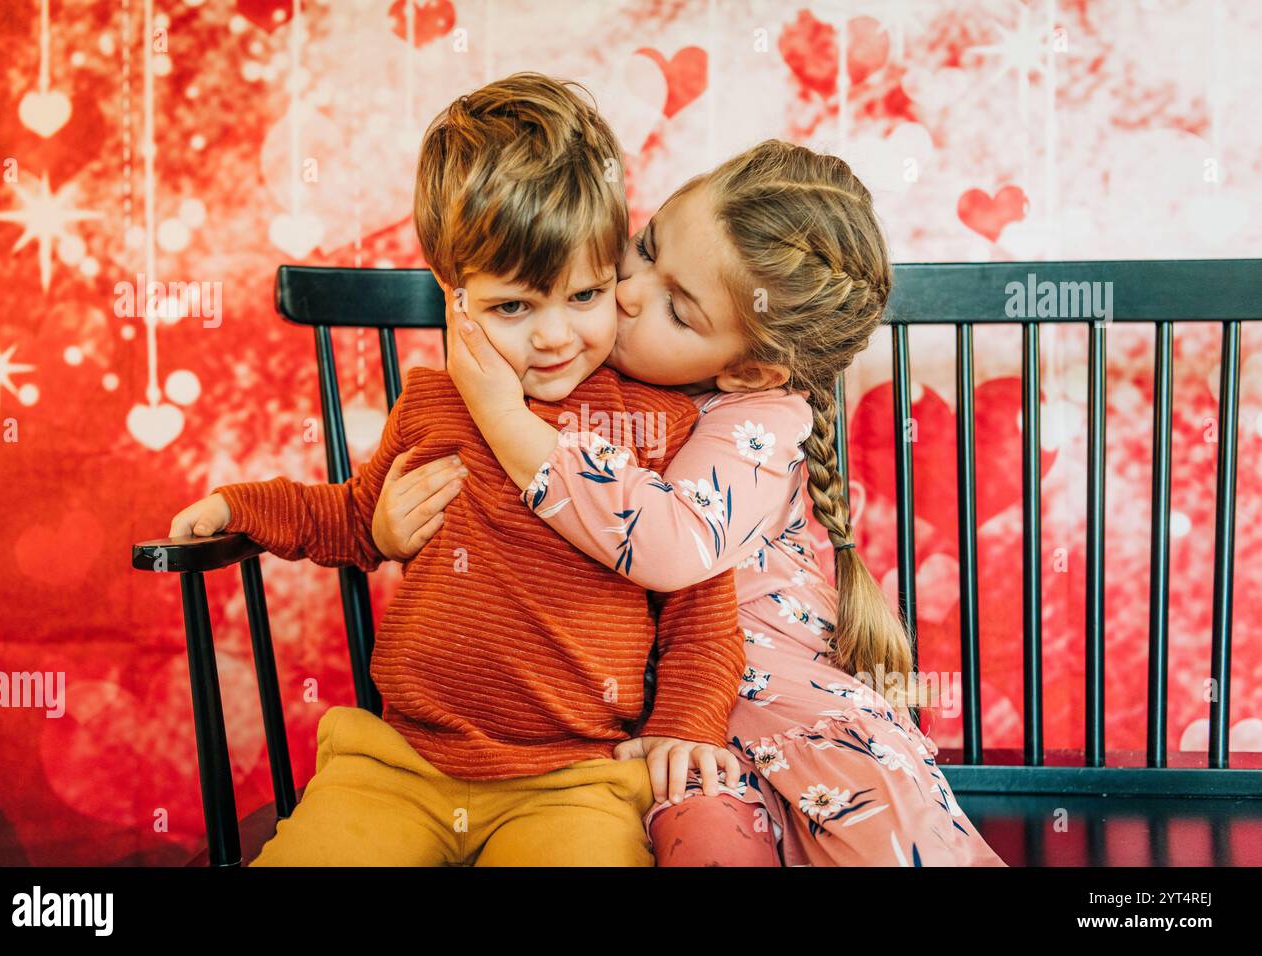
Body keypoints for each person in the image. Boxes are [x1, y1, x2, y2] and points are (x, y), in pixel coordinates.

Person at [167, 73, 746, 866]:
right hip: (402, 763)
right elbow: (346, 520)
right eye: (514, 307)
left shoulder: (656, 423)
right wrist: (247, 508)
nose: (554, 337)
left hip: (577, 776)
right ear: (456, 296)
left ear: (616, 267)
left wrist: (685, 720)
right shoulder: (435, 408)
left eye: (585, 295)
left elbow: (702, 600)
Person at [378, 139, 1008, 867]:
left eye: (678, 309)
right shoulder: (569, 366)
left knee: (890, 845)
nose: (631, 290)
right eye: (644, 249)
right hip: (678, 730)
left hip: (797, 712)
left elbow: (667, 542)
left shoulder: (762, 419)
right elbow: (485, 528)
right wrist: (386, 526)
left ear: (748, 369)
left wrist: (502, 417)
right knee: (698, 840)